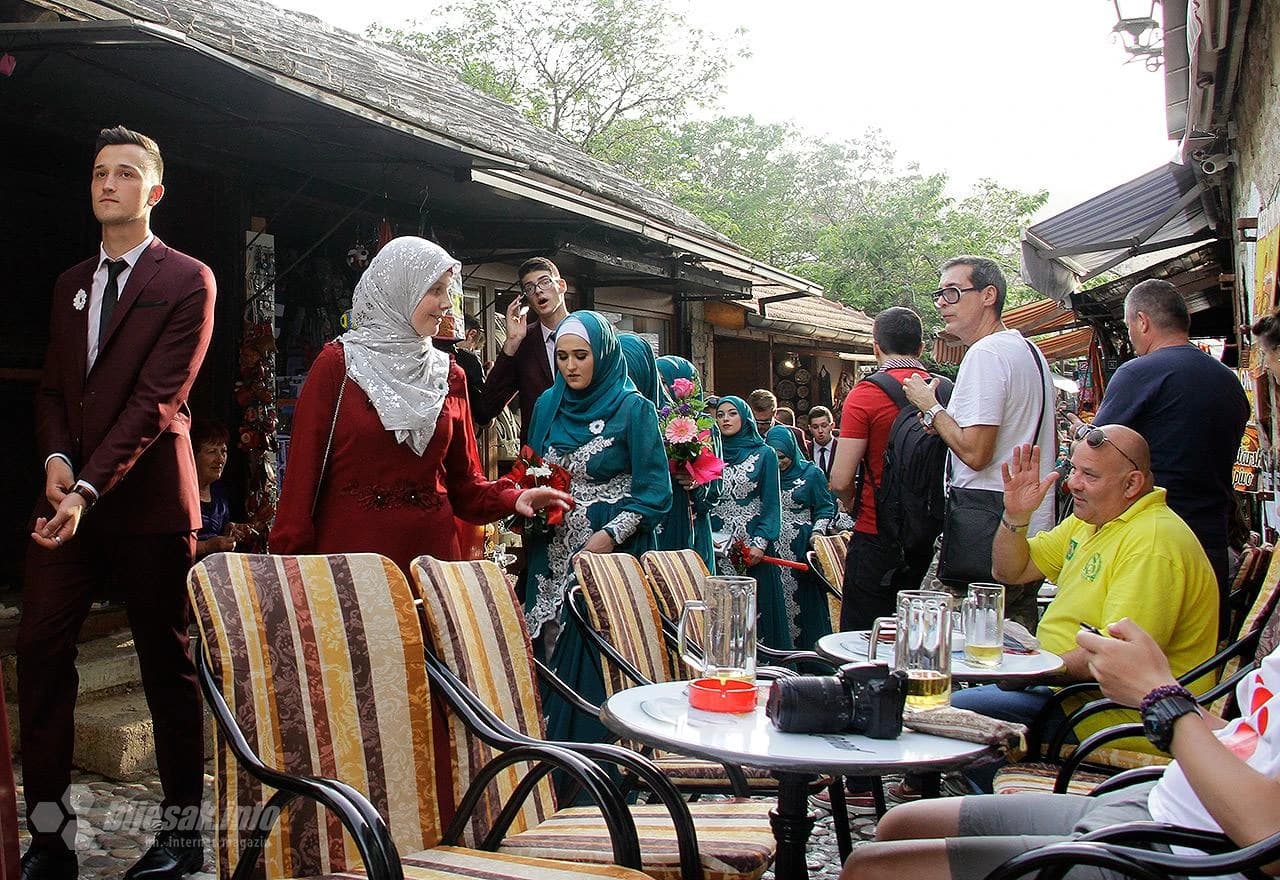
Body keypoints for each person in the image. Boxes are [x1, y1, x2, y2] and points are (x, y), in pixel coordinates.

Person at [22, 126, 213, 880]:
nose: (108, 183)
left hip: (150, 504)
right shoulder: (71, 281)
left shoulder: (188, 278)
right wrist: (58, 464)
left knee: (167, 665)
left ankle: (182, 837)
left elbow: (156, 400)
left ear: (154, 191)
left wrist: (89, 487)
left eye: (126, 173)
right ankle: (49, 842)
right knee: (40, 653)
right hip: (70, 501)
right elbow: (52, 389)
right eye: (100, 172)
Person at [841, 615, 1280, 880]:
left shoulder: (1154, 543)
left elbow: (1268, 838)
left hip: (1187, 852)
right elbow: (1251, 737)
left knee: (870, 869)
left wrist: (1161, 698)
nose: (1072, 492)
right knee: (901, 823)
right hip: (1159, 803)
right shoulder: (1091, 530)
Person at [269, 237, 571, 576]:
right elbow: (300, 481)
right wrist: (289, 568)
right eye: (435, 290)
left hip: (432, 570)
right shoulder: (338, 366)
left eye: (448, 291)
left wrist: (513, 498)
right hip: (352, 569)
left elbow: (465, 487)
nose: (447, 303)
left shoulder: (450, 375)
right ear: (401, 289)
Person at [951, 427, 1219, 791]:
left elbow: (1116, 658)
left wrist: (1031, 671)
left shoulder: (1152, 541)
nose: (1072, 484)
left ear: (1131, 484)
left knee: (958, 714)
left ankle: (1008, 809)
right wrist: (1016, 516)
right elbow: (1009, 571)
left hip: (1117, 715)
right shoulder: (1094, 519)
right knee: (952, 708)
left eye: (1089, 475)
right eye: (1073, 469)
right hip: (1069, 694)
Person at [524, 312, 672, 743]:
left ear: (602, 355)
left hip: (606, 557)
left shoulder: (634, 408)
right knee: (545, 642)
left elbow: (654, 492)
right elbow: (531, 466)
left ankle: (599, 757)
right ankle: (550, 756)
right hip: (550, 550)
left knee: (594, 651)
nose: (571, 366)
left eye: (581, 356)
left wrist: (610, 535)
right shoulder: (547, 404)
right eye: (563, 357)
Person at [1069, 278, 1249, 602]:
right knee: (1201, 632)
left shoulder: (1138, 373)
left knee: (1137, 630)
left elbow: (1098, 447)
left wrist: (1081, 434)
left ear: (1142, 321)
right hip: (1211, 538)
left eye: (1129, 326)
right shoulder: (1229, 382)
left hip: (1152, 541)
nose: (1131, 336)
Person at [903, 256, 1055, 630]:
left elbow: (975, 452)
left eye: (953, 293)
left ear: (988, 295)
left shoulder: (985, 353)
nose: (942, 303)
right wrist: (942, 422)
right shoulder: (1028, 351)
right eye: (939, 294)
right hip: (1027, 529)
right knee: (1010, 641)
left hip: (985, 531)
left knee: (928, 635)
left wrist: (929, 405)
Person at [831, 306, 943, 630]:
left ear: (876, 347)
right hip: (936, 537)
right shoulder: (947, 391)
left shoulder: (866, 393)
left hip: (877, 533)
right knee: (926, 638)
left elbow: (840, 479)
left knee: (863, 639)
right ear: (921, 347)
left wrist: (852, 503)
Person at [711, 396, 792, 651]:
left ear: (745, 418)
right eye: (720, 414)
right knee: (720, 608)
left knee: (756, 609)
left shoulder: (765, 454)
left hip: (751, 545)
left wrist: (760, 542)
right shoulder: (710, 452)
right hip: (716, 544)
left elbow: (771, 503)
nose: (725, 419)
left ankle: (760, 662)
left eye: (732, 413)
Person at [474, 256, 570, 442]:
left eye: (545, 282)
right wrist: (511, 343)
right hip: (538, 451)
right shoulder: (524, 341)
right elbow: (485, 410)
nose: (538, 291)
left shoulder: (589, 332)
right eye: (530, 288)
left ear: (561, 285)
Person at [765, 426, 837, 651]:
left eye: (782, 457)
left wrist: (817, 533)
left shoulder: (811, 473)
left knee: (805, 602)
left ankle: (808, 655)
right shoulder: (764, 473)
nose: (778, 463)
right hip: (771, 550)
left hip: (800, 550)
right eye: (773, 458)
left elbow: (825, 508)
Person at [657, 355, 721, 575]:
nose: (663, 389)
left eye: (667, 383)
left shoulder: (703, 424)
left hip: (689, 512)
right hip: (659, 513)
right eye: (659, 382)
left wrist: (697, 481)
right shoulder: (650, 417)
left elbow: (715, 481)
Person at [191, 419, 250, 559]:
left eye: (223, 451)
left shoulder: (219, 493)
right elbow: (170, 547)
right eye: (212, 452)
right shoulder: (181, 495)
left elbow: (217, 535)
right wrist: (206, 546)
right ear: (193, 455)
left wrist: (227, 531)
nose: (220, 459)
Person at [747, 388, 811, 458]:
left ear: (774, 413)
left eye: (765, 422)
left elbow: (802, 464)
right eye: (755, 421)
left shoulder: (793, 435)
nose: (759, 426)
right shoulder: (741, 434)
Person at [807, 405, 837, 480]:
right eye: (815, 427)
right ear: (810, 428)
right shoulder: (806, 450)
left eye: (824, 426)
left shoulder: (842, 449)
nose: (820, 431)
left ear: (832, 426)